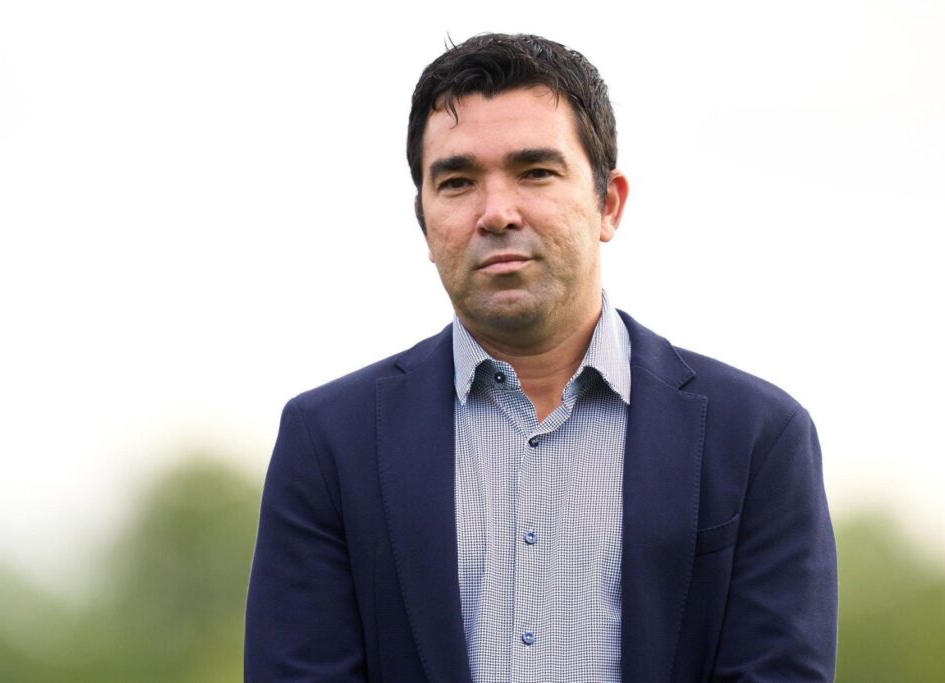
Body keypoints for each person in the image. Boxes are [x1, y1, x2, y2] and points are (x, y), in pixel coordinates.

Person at [244, 33, 838, 682]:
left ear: (609, 203)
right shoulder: (331, 443)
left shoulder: (756, 438)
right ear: (424, 220)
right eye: (458, 180)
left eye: (535, 171)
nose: (497, 211)